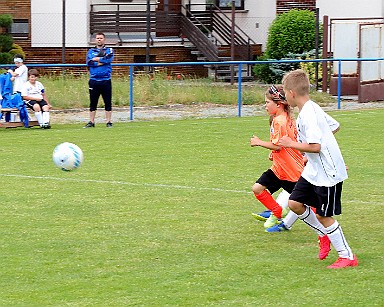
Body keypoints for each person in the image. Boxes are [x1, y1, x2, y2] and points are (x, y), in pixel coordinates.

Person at [279, 69, 358, 269]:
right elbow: (334, 126)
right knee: (295, 203)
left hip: (327, 174)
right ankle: (323, 234)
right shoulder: (310, 108)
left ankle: (347, 256)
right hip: (314, 170)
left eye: (285, 92)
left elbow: (316, 146)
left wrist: (291, 143)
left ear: (292, 93)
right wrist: (310, 153)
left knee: (324, 216)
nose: (284, 95)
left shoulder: (309, 114)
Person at [250, 85, 304, 229]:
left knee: (306, 203)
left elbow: (279, 145)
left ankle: (325, 230)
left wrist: (259, 142)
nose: (265, 106)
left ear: (278, 104)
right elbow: (280, 146)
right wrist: (273, 153)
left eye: (267, 102)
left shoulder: (279, 121)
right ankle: (277, 210)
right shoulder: (282, 118)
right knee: (257, 188)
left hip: (291, 171)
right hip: (279, 169)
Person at [84, 32, 114, 128]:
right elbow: (89, 63)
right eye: (97, 38)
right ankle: (91, 122)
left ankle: (108, 121)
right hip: (94, 80)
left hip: (106, 80)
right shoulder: (90, 51)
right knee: (93, 101)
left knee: (107, 101)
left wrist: (96, 59)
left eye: (101, 38)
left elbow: (108, 59)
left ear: (104, 39)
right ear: (95, 40)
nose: (99, 40)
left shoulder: (109, 50)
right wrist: (100, 62)